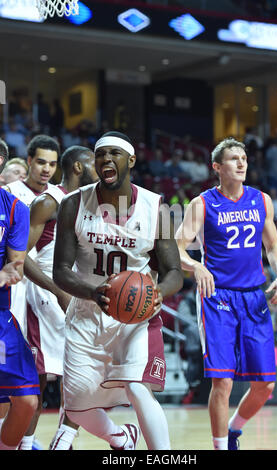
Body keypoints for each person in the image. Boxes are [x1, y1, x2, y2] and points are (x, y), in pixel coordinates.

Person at [52, 131, 184, 450]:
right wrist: (93, 291)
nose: (106, 160)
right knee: (77, 406)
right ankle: (121, 437)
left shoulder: (156, 208)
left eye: (115, 154)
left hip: (136, 317)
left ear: (131, 161)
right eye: (101, 155)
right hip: (87, 313)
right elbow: (60, 271)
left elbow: (174, 273)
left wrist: (157, 293)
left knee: (138, 387)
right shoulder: (73, 204)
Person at [175, 137, 277, 450]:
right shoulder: (202, 203)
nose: (241, 164)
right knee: (222, 381)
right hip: (218, 298)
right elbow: (175, 248)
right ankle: (220, 446)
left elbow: (273, 245)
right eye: (233, 159)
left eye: (244, 158)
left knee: (265, 385)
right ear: (217, 167)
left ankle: (235, 430)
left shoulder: (261, 200)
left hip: (254, 298)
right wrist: (196, 267)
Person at [15, 146, 99, 450]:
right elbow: (19, 257)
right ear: (78, 167)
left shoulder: (92, 205)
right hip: (46, 296)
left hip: (80, 296)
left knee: (81, 379)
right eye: (93, 162)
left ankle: (64, 442)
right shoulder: (49, 202)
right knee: (38, 379)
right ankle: (25, 443)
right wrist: (57, 289)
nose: (100, 166)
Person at [0, 138, 39, 450]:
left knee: (25, 400)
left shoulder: (15, 208)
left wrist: (13, 269)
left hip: (0, 317)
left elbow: (16, 263)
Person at [3, 134, 59, 338]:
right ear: (29, 161)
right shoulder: (9, 192)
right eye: (41, 162)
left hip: (44, 279)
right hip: (15, 278)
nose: (47, 170)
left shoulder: (59, 196)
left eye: (52, 164)